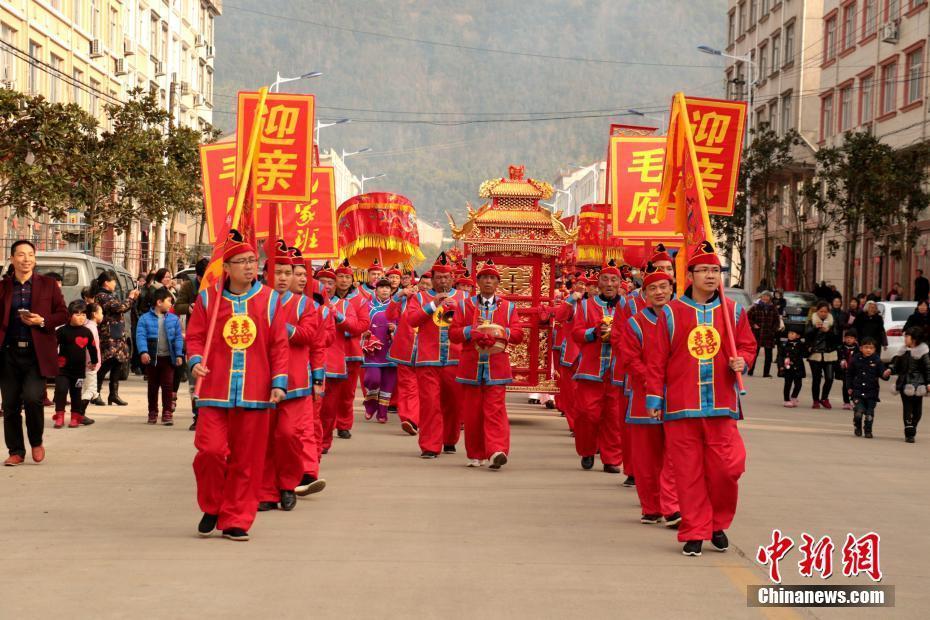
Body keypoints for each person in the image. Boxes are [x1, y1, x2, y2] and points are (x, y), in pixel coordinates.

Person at [648, 241, 756, 557]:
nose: (711, 276)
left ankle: (716, 522)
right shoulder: (671, 313)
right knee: (688, 473)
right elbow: (656, 361)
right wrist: (655, 400)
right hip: (681, 406)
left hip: (722, 405)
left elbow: (748, 346)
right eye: (704, 270)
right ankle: (696, 530)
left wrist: (743, 361)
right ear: (690, 275)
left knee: (728, 468)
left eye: (715, 270)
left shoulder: (733, 312)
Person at [186, 230, 289, 542]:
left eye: (252, 261)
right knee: (210, 452)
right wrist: (194, 361)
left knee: (248, 459)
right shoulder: (208, 299)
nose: (249, 267)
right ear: (226, 267)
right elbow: (195, 337)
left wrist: (278, 382)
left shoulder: (270, 300)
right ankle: (213, 505)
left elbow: (279, 345)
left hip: (255, 390)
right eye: (241, 262)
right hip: (215, 388)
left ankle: (237, 519)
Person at [614, 262, 680, 527]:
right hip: (643, 396)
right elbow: (630, 359)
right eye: (652, 288)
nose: (659, 292)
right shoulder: (636, 322)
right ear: (645, 293)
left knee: (674, 455)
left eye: (663, 287)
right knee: (645, 458)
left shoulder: (682, 318)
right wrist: (653, 381)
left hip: (677, 395)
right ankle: (651, 507)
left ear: (672, 288)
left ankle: (671, 505)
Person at [258, 243, 322, 512]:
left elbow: (310, 336)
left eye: (287, 272)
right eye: (277, 272)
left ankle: (288, 483)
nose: (283, 278)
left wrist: (280, 328)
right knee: (264, 439)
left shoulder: (304, 304)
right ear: (265, 274)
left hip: (295, 383)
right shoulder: (256, 301)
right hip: (261, 382)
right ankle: (267, 491)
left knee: (288, 436)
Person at [449, 259, 524, 469]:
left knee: (495, 409)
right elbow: (453, 334)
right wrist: (469, 332)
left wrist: (499, 333)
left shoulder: (508, 307)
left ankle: (496, 450)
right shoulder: (465, 305)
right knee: (472, 413)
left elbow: (518, 334)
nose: (488, 281)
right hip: (471, 366)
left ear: (497, 283)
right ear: (478, 282)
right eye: (484, 278)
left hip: (497, 367)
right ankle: (475, 453)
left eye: (492, 278)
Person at [1, 240, 69, 466]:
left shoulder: (48, 285)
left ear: (35, 259)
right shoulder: (3, 287)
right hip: (8, 353)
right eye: (21, 254)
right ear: (12, 259)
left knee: (32, 399)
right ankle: (16, 451)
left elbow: (63, 314)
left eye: (30, 254)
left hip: (36, 354)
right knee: (9, 405)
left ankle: (36, 441)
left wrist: (43, 321)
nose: (26, 259)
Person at [407, 253, 466, 458]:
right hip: (428, 358)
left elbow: (471, 323)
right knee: (430, 403)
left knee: (454, 402)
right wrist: (434, 304)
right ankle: (430, 446)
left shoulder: (463, 298)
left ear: (452, 279)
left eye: (446, 277)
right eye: (438, 277)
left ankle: (449, 439)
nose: (442, 280)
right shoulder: (420, 298)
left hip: (455, 358)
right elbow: (412, 320)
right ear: (432, 279)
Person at [571, 260, 625, 474]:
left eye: (614, 280)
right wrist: (593, 333)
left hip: (617, 370)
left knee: (613, 416)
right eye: (605, 279)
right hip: (590, 370)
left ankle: (612, 458)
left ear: (620, 284)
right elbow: (576, 333)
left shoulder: (627, 307)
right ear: (599, 283)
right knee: (586, 414)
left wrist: (617, 336)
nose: (610, 284)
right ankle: (587, 449)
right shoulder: (586, 305)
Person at [316, 262, 360, 454]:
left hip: (334, 363)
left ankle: (324, 442)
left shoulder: (345, 304)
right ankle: (312, 443)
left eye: (329, 282)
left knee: (328, 409)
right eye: (322, 281)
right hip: (310, 364)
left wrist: (338, 316)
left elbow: (355, 326)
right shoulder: (305, 302)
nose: (326, 285)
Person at [331, 259, 371, 439]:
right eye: (340, 277)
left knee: (347, 393)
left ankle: (344, 424)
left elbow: (363, 324)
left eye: (347, 277)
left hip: (351, 351)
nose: (344, 281)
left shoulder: (359, 300)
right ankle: (328, 423)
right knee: (330, 393)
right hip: (330, 351)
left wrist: (345, 325)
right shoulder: (325, 298)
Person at [136, 287, 184, 425]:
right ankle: (152, 412)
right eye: (169, 301)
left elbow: (178, 338)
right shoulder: (144, 319)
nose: (171, 304)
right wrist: (143, 352)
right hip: (152, 358)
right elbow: (141, 336)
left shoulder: (174, 319)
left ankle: (167, 412)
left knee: (168, 385)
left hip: (168, 358)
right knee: (153, 386)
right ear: (159, 302)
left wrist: (179, 354)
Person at [92, 270, 140, 406]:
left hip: (117, 334)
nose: (115, 284)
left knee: (119, 363)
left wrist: (132, 299)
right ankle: (95, 393)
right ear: (107, 282)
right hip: (109, 335)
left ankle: (113, 394)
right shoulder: (102, 296)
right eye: (113, 281)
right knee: (108, 362)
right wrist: (130, 297)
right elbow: (120, 308)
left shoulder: (109, 295)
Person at [175, 257, 210, 431]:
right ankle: (197, 415)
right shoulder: (189, 286)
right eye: (202, 278)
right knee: (194, 379)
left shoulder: (217, 285)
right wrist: (189, 307)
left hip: (214, 337)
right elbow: (177, 305)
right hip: (195, 335)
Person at [53, 300, 99, 429]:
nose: (81, 317)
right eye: (77, 314)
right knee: (61, 391)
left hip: (79, 370)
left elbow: (92, 348)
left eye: (84, 315)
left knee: (76, 393)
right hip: (62, 368)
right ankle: (59, 416)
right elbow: (52, 346)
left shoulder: (87, 332)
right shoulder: (61, 331)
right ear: (69, 315)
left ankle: (75, 417)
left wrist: (94, 361)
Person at [386, 280, 421, 436]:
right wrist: (399, 296)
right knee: (407, 386)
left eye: (428, 284)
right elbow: (389, 314)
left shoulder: (441, 300)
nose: (424, 287)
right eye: (422, 284)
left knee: (424, 388)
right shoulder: (406, 299)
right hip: (406, 348)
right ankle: (409, 418)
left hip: (429, 352)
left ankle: (418, 418)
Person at [362, 278, 397, 424]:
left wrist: (395, 329)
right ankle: (370, 404)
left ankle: (382, 413)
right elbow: (362, 324)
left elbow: (406, 325)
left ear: (391, 290)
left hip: (391, 350)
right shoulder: (368, 306)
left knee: (388, 384)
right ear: (375, 290)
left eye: (387, 288)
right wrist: (365, 333)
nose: (384, 290)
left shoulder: (397, 307)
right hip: (373, 351)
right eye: (381, 287)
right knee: (373, 379)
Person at [890, 327, 930, 443]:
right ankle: (909, 433)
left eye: (907, 336)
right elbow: (896, 366)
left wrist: (928, 383)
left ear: (914, 339)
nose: (905, 338)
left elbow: (928, 368)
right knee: (907, 408)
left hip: (918, 385)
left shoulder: (923, 352)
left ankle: (913, 426)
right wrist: (890, 369)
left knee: (917, 411)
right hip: (904, 383)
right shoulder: (902, 351)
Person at [847, 337, 890, 439]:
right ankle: (857, 426)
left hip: (872, 391)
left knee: (869, 414)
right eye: (866, 347)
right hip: (857, 390)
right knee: (858, 412)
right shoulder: (855, 359)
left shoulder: (877, 361)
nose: (868, 350)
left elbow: (883, 375)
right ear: (861, 348)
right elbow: (849, 374)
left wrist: (885, 374)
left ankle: (868, 430)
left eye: (871, 348)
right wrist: (849, 387)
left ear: (874, 349)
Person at [806, 302, 839, 409]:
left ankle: (824, 398)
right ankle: (815, 400)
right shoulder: (812, 321)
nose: (823, 314)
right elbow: (806, 334)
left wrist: (828, 331)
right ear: (817, 311)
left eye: (825, 311)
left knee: (829, 378)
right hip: (815, 353)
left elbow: (836, 337)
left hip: (829, 353)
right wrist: (815, 328)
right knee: (816, 379)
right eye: (821, 311)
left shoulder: (832, 322)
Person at [747, 291, 780, 377]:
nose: (765, 298)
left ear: (770, 298)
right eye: (763, 296)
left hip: (769, 334)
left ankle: (766, 373)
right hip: (757, 334)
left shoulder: (773, 308)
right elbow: (747, 317)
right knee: (754, 353)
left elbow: (777, 321)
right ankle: (750, 370)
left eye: (767, 296)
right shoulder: (755, 307)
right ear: (761, 297)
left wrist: (773, 330)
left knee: (768, 356)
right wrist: (753, 324)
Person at [776, 328, 807, 408]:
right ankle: (786, 400)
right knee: (788, 384)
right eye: (789, 333)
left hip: (798, 367)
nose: (790, 334)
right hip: (787, 368)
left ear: (798, 336)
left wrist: (807, 347)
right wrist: (781, 366)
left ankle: (793, 397)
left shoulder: (801, 344)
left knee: (798, 384)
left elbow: (805, 353)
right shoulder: (784, 344)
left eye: (792, 333)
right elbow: (780, 356)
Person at [81, 302, 103, 411]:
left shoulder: (87, 326)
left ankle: (78, 413)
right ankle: (79, 413)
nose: (102, 315)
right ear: (94, 314)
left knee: (85, 389)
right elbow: (90, 348)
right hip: (90, 364)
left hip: (85, 364)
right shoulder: (91, 328)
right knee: (91, 390)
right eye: (101, 313)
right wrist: (92, 362)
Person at [837, 329, 859, 411]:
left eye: (851, 338)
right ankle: (846, 402)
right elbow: (838, 358)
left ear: (855, 339)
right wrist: (841, 361)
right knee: (845, 386)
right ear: (844, 338)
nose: (849, 340)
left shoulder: (858, 349)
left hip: (855, 371)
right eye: (847, 338)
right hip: (845, 371)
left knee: (855, 386)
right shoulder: (841, 348)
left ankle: (855, 401)